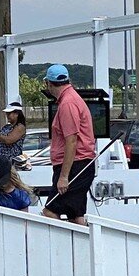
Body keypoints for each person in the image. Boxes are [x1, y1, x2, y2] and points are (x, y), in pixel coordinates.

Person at [41, 64, 96, 225]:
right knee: (76, 213)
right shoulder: (72, 99)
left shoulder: (67, 104)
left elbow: (71, 140)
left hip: (74, 166)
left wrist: (63, 177)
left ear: (49, 84)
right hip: (81, 164)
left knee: (49, 211)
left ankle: (65, 247)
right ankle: (83, 246)